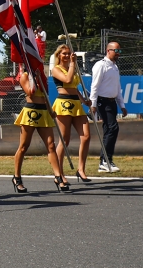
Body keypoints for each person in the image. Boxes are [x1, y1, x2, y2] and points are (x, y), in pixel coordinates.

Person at [13, 64, 65, 192]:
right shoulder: (24, 77)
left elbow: (45, 96)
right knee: (24, 146)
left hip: (43, 113)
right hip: (30, 112)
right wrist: (34, 78)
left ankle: (58, 177)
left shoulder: (42, 78)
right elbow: (30, 91)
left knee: (51, 145)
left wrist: (50, 110)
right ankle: (17, 177)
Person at [52, 44, 92, 182]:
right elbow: (68, 80)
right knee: (64, 139)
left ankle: (81, 169)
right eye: (64, 53)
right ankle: (59, 173)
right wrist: (73, 64)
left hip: (76, 104)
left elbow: (74, 87)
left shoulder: (72, 69)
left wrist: (84, 101)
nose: (67, 56)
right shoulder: (56, 69)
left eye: (69, 53)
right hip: (63, 104)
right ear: (58, 56)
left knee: (86, 136)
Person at [90, 42, 126, 173]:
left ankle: (104, 162)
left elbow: (117, 88)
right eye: (116, 51)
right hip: (102, 102)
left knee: (109, 130)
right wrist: (93, 104)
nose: (118, 54)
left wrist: (122, 105)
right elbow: (95, 86)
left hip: (112, 103)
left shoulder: (115, 67)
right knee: (113, 128)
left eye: (120, 52)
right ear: (108, 50)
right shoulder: (101, 65)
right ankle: (105, 160)